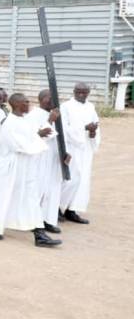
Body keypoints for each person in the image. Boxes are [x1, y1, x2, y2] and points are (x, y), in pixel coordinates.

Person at [0, 94, 61, 247]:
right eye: (26, 102)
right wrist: (39, 137)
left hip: (27, 167)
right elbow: (21, 145)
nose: (29, 104)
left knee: (31, 198)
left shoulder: (25, 119)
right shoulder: (9, 123)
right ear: (18, 104)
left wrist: (46, 126)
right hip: (12, 167)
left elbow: (33, 135)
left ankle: (39, 235)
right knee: (4, 197)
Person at [60, 82, 100, 224]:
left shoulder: (90, 107)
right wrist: (83, 128)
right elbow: (64, 128)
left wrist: (93, 131)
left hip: (86, 149)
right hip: (72, 148)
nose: (81, 95)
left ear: (88, 93)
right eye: (79, 92)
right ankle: (58, 208)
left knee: (83, 179)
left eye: (84, 92)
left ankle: (72, 210)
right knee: (69, 179)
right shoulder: (66, 107)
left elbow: (96, 123)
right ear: (74, 91)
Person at [29, 89, 68, 233]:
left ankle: (48, 220)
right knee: (38, 189)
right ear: (41, 99)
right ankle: (34, 221)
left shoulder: (57, 114)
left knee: (53, 190)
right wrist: (50, 120)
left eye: (54, 98)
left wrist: (65, 152)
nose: (52, 101)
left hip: (53, 158)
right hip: (39, 158)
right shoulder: (33, 114)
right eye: (49, 98)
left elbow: (63, 136)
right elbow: (35, 135)